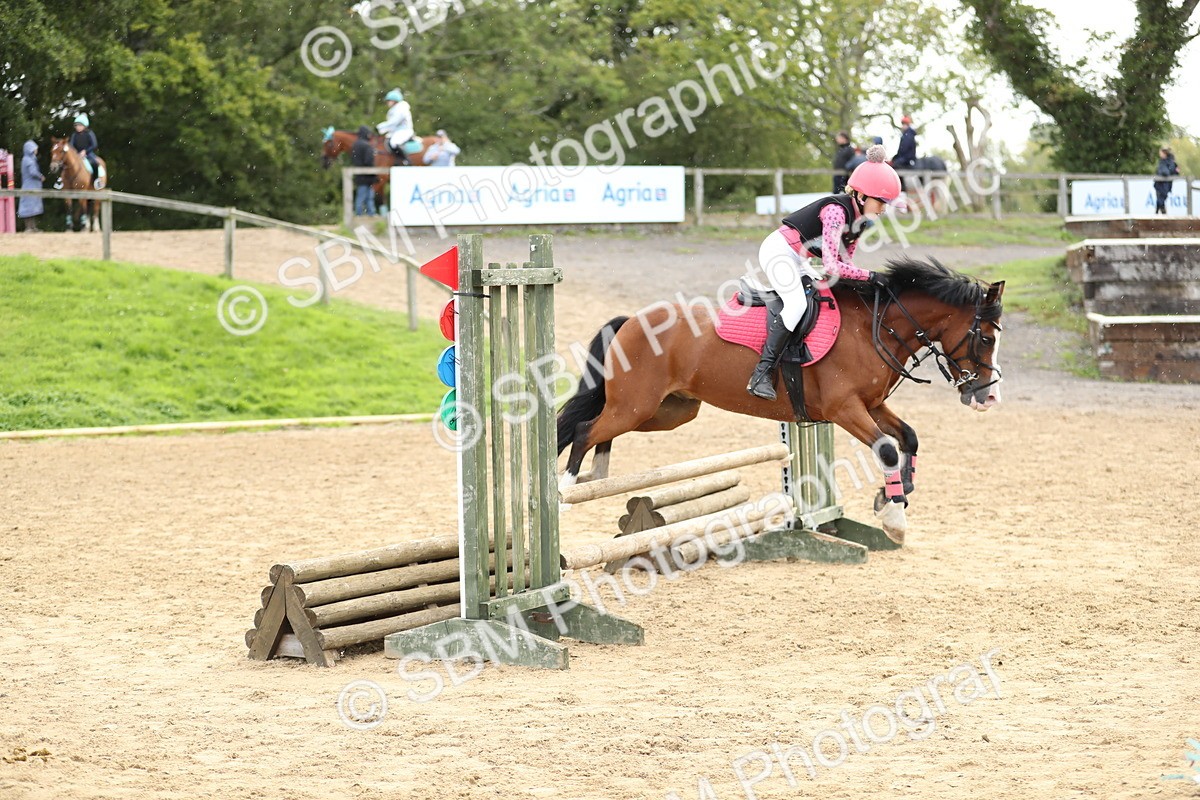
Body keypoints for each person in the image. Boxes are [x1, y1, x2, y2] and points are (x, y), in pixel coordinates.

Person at [745, 145, 903, 401]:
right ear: (861, 196)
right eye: (881, 201)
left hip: (800, 259)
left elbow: (845, 266)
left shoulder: (859, 223)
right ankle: (762, 373)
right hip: (779, 252)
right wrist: (872, 276)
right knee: (796, 304)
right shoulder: (836, 212)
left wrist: (868, 283)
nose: (884, 209)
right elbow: (832, 266)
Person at [377, 88, 415, 166]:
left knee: (394, 143)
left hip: (404, 131)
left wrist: (380, 127)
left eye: (389, 101)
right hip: (397, 131)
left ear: (394, 101)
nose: (387, 103)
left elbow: (393, 122)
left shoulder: (401, 109)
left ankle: (406, 160)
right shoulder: (393, 110)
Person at [68, 113, 104, 188]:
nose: (78, 127)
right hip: (77, 154)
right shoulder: (74, 135)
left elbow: (94, 145)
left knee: (94, 163)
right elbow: (71, 145)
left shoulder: (89, 133)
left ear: (84, 126)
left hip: (88, 153)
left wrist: (85, 151)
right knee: (65, 162)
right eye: (76, 125)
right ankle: (61, 181)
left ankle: (96, 180)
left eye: (80, 125)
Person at [351, 125, 378, 216]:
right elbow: (369, 161)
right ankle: (370, 213)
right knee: (368, 197)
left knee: (361, 196)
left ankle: (359, 214)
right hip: (367, 175)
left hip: (359, 175)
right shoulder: (366, 146)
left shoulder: (355, 145)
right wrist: (374, 174)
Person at [18, 140, 44, 232]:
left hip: (32, 185)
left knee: (32, 207)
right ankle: (28, 227)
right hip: (30, 185)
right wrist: (40, 176)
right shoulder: (28, 160)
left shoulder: (30, 159)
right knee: (28, 207)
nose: (36, 151)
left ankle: (33, 227)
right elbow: (33, 172)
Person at [1154, 146, 1180, 214]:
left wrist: (1162, 172)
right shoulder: (1167, 162)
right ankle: (1161, 215)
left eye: (1161, 153)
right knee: (1161, 202)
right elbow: (1175, 171)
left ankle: (1157, 215)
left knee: (1160, 201)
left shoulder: (1168, 162)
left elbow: (1167, 172)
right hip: (1161, 184)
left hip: (1164, 185)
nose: (1160, 154)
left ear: (1164, 153)